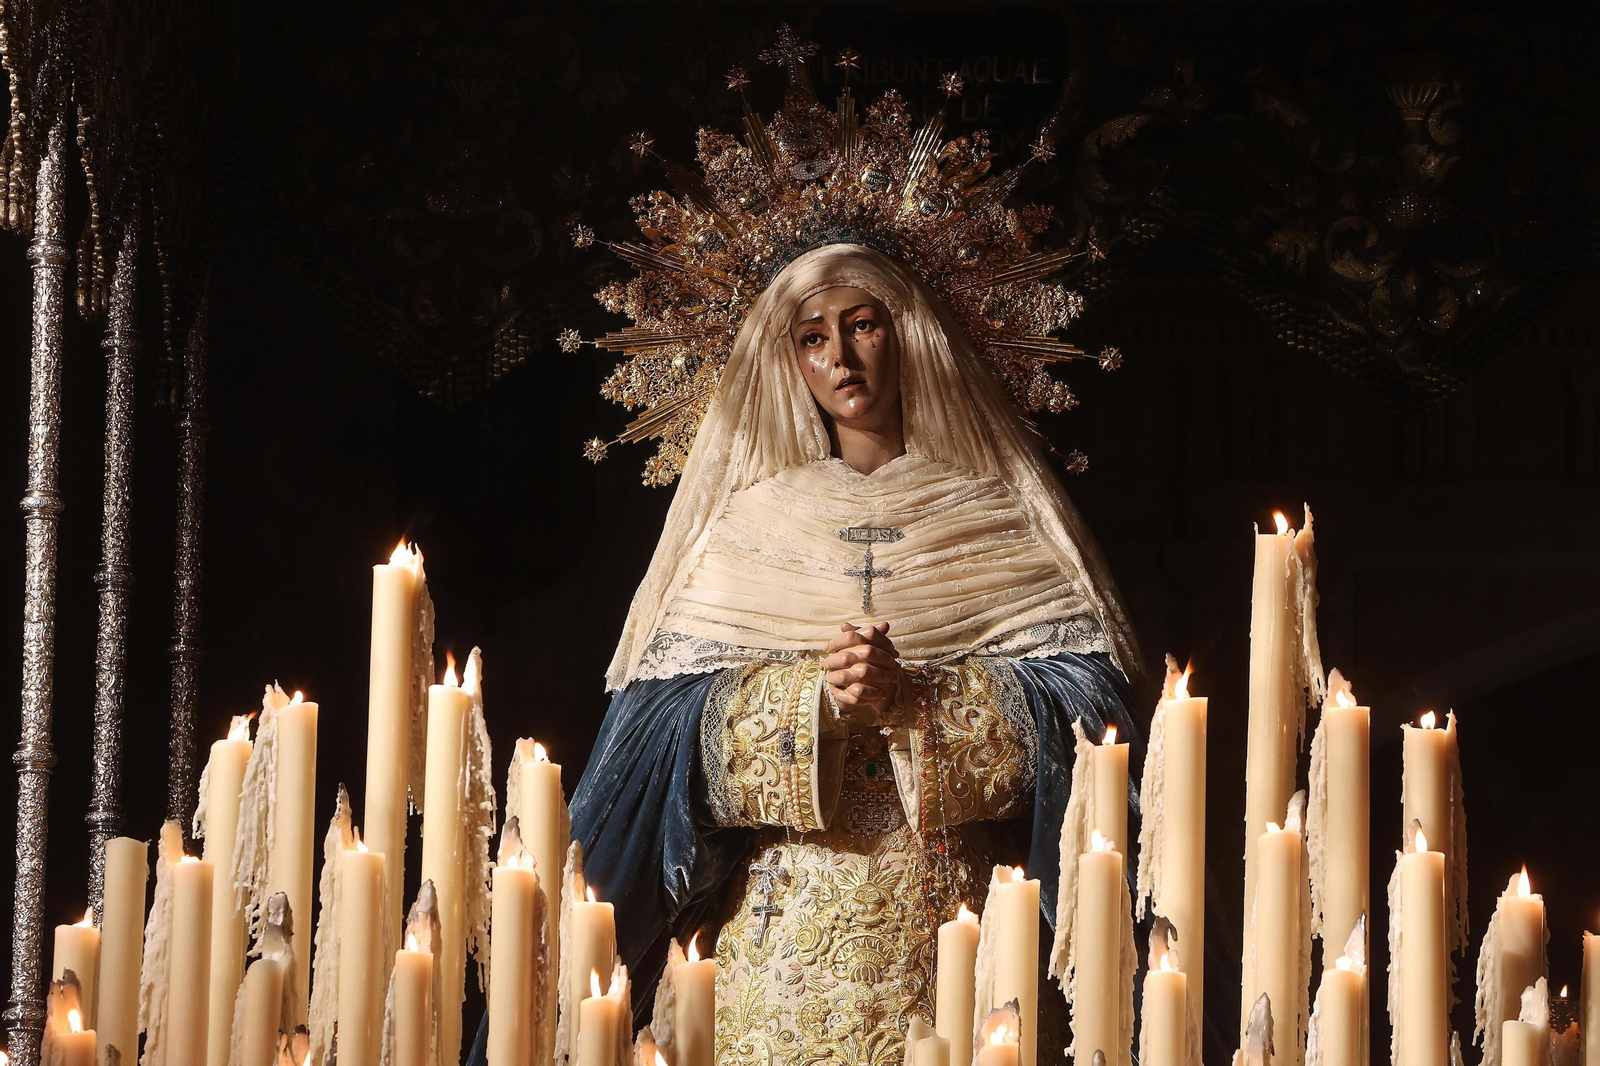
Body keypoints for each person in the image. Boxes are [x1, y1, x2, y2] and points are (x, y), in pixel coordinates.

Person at [466, 242, 1144, 1066]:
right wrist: (811, 705)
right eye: (813, 338)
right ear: (786, 360)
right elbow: (660, 740)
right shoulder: (745, 534)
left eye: (862, 327)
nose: (842, 358)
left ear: (912, 336)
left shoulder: (995, 520)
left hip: (961, 945)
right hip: (779, 959)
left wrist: (916, 701)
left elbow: (1091, 719)